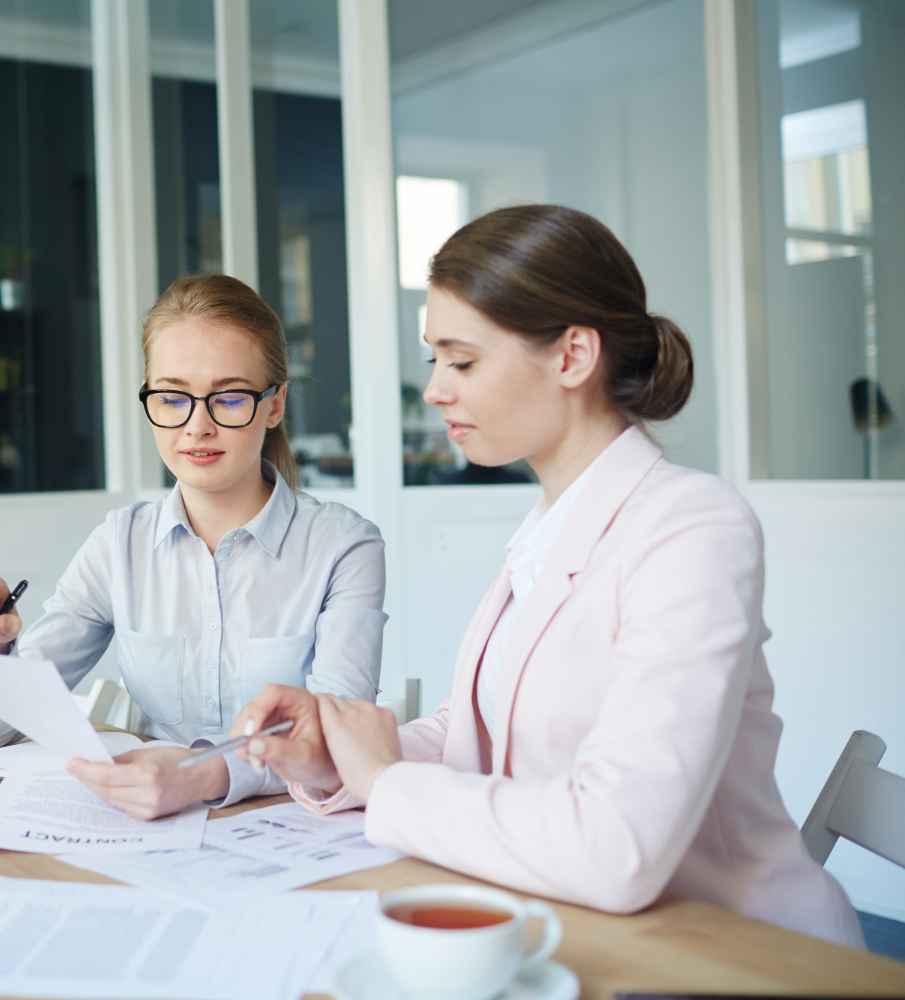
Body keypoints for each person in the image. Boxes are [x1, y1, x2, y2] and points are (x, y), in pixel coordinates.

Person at [231, 205, 864, 947]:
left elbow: (616, 846)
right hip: (578, 926)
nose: (434, 390)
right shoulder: (548, 529)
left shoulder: (694, 527)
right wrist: (343, 754)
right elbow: (480, 731)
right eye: (435, 361)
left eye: (461, 361)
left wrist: (387, 782)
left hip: (734, 954)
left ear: (572, 356)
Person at [0, 273, 386, 818]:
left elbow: (337, 742)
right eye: (173, 397)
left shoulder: (345, 546)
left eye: (228, 398)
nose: (196, 426)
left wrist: (200, 777)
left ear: (275, 406)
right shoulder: (119, 543)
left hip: (297, 835)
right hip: (151, 832)